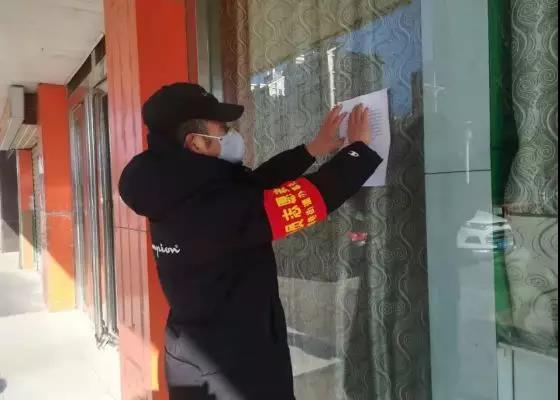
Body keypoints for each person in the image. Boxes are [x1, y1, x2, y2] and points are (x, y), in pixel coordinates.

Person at [119, 83, 382, 400]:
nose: (231, 134)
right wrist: (358, 151)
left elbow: (255, 183)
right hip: (231, 369)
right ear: (196, 143)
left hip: (197, 352)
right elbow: (308, 199)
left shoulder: (178, 188)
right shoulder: (212, 209)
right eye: (222, 128)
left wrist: (312, 149)